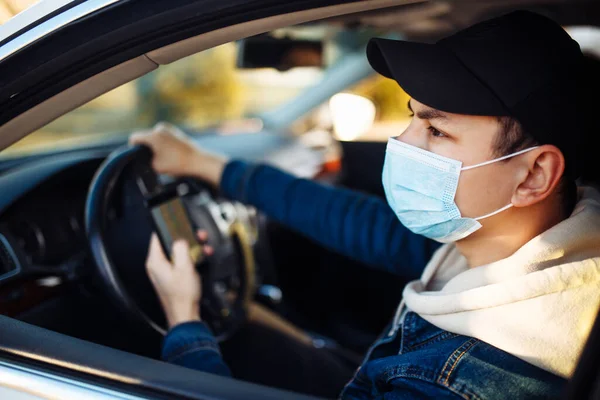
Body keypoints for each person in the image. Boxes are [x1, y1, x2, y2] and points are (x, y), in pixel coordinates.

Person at [130, 10, 600, 399]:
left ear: (533, 175)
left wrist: (185, 324)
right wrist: (207, 164)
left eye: (437, 131)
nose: (401, 140)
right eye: (411, 118)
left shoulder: (451, 386)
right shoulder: (519, 251)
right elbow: (361, 224)